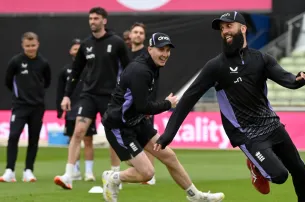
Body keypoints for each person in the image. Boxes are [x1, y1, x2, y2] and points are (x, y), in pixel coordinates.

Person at [155, 11, 305, 202]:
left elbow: (285, 78)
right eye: (222, 29)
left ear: (243, 28)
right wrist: (169, 133)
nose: (225, 31)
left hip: (272, 125)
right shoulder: (216, 66)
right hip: (247, 134)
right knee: (280, 176)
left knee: (299, 169)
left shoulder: (262, 59)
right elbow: (189, 98)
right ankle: (255, 165)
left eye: (229, 26)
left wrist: (297, 80)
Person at [101, 32, 225, 202]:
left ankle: (195, 196)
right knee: (147, 173)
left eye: (167, 50)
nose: (165, 54)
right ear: (149, 49)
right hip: (120, 126)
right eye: (161, 49)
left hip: (136, 122)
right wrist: (168, 104)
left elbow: (141, 106)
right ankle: (112, 178)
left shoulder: (152, 66)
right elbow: (143, 106)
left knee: (169, 157)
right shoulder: (141, 71)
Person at [54, 7, 130, 190]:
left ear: (104, 20)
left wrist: (128, 94)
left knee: (113, 136)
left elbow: (129, 69)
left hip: (110, 97)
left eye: (96, 18)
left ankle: (115, 175)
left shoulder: (117, 42)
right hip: (88, 95)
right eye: (90, 18)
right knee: (78, 131)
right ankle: (69, 175)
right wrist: (66, 95)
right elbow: (75, 72)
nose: (92, 21)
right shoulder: (85, 45)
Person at [1, 32, 51, 182]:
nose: (30, 49)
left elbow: (47, 82)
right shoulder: (15, 62)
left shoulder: (43, 63)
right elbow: (8, 81)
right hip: (20, 106)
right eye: (27, 46)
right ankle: (9, 170)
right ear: (23, 45)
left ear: (38, 44)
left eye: (33, 45)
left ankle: (28, 170)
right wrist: (20, 95)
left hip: (37, 107)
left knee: (34, 139)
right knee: (14, 136)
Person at [56, 38, 97, 181]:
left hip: (87, 107)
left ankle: (89, 172)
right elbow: (60, 91)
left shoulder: (91, 69)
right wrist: (59, 109)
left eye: (80, 48)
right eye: (75, 48)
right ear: (70, 51)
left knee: (88, 140)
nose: (77, 51)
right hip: (71, 109)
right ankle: (75, 170)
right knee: (73, 138)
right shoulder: (66, 70)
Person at [128, 22, 157, 186]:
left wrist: (148, 104)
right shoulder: (125, 55)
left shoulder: (147, 56)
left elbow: (152, 82)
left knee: (148, 140)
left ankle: (150, 175)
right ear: (130, 35)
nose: (138, 35)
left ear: (144, 37)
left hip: (144, 105)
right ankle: (141, 170)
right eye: (135, 32)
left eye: (141, 33)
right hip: (127, 107)